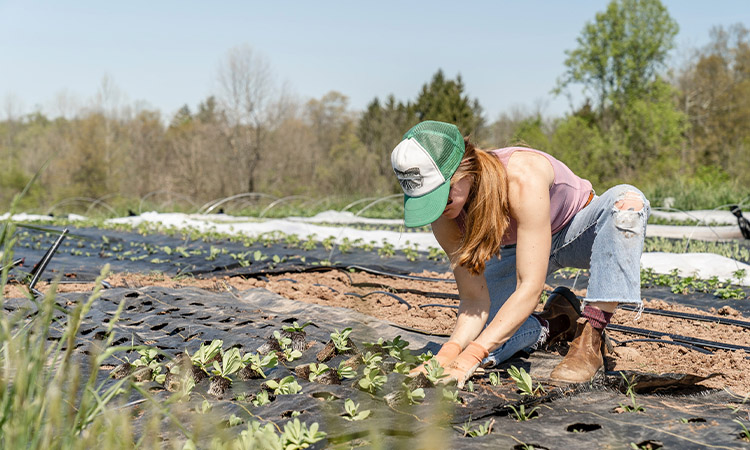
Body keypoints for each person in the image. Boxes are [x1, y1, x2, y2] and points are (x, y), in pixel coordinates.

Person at [391, 120, 649, 387]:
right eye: (426, 201)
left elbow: (530, 288)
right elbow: (474, 301)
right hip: (521, 249)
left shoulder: (521, 177)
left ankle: (591, 337)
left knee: (627, 203)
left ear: (464, 169)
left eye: (442, 196)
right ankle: (555, 322)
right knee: (487, 335)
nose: (439, 208)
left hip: (577, 231)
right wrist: (449, 353)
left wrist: (472, 355)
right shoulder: (445, 215)